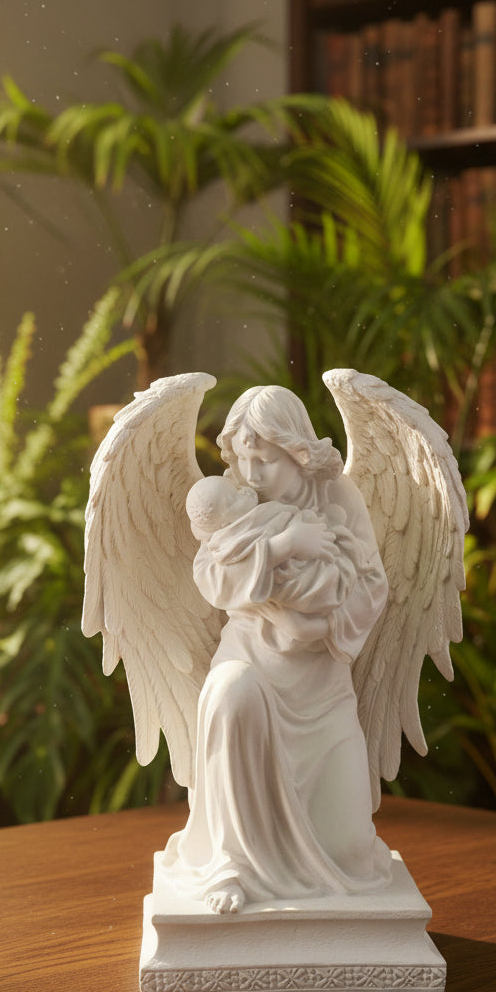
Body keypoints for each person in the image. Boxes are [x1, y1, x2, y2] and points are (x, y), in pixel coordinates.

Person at [161, 385, 393, 914]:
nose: (253, 474)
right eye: (244, 459)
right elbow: (210, 571)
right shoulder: (234, 502)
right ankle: (230, 865)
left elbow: (372, 585)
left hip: (320, 689)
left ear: (297, 450)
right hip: (254, 667)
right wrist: (278, 595)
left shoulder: (338, 498)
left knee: (352, 853)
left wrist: (321, 627)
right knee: (229, 692)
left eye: (264, 459)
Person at [184, 474, 355, 651]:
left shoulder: (264, 510)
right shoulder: (224, 545)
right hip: (284, 602)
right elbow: (223, 583)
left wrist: (306, 522)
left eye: (236, 487)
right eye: (234, 498)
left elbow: (292, 519)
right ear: (225, 524)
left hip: (321, 569)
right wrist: (287, 544)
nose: (244, 491)